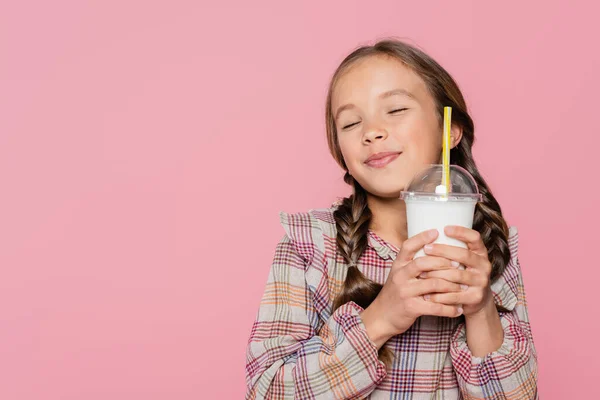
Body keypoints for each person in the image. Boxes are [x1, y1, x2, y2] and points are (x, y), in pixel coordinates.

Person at [244, 39, 538, 399]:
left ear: (450, 130)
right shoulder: (310, 244)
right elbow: (266, 390)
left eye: (396, 109)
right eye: (351, 123)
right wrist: (381, 317)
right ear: (341, 151)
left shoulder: (487, 247)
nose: (372, 132)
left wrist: (480, 311)